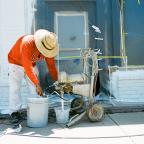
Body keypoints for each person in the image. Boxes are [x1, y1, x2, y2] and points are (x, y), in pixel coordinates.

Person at [7, 29, 58, 123]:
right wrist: (37, 84)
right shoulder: (27, 43)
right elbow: (27, 67)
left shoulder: (49, 46)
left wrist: (57, 80)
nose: (46, 54)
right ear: (39, 45)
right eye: (44, 51)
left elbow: (51, 66)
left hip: (31, 64)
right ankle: (14, 112)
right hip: (15, 63)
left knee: (34, 91)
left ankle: (34, 111)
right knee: (15, 88)